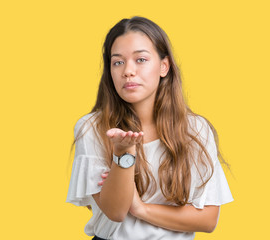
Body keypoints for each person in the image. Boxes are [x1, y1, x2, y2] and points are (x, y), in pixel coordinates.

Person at [66, 16, 233, 240]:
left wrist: (140, 208)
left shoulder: (196, 129)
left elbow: (207, 219)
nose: (128, 71)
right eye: (118, 62)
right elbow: (115, 212)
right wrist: (123, 153)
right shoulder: (92, 128)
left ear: (164, 66)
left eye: (141, 59)